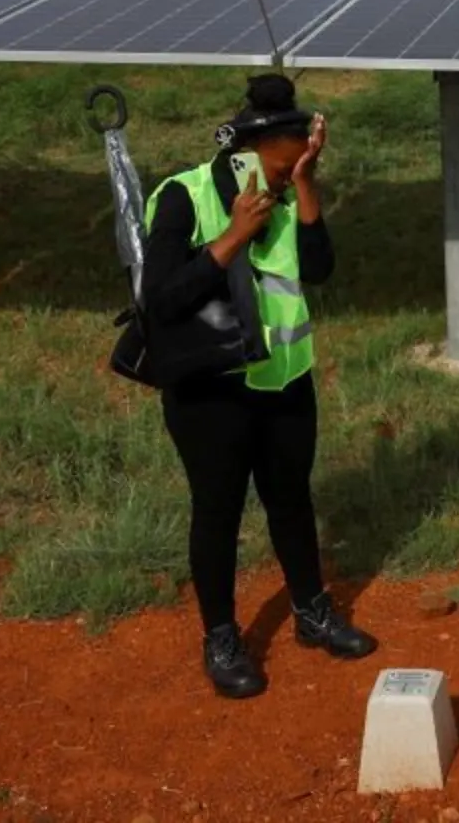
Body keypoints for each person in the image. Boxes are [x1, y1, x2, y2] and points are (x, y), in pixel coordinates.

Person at [139, 73, 377, 698]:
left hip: (285, 383)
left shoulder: (289, 187)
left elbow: (319, 267)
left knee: (292, 500)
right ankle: (221, 638)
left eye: (295, 165)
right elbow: (159, 300)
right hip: (210, 393)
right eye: (280, 166)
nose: (282, 176)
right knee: (217, 513)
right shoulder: (183, 198)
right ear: (243, 152)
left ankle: (312, 613)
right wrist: (232, 239)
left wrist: (304, 184)